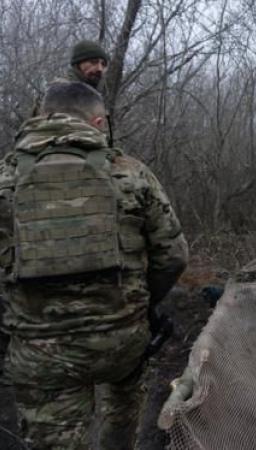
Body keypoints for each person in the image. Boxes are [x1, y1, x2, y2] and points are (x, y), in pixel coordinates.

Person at [0, 81, 188, 450]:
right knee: (121, 416)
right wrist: (141, 303)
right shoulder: (132, 174)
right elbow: (174, 256)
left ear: (41, 117)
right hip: (121, 341)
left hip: (41, 352)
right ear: (98, 122)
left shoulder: (6, 180)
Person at [31, 40, 109, 116]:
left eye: (103, 64)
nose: (100, 68)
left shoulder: (101, 94)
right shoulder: (59, 92)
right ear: (78, 64)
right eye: (93, 62)